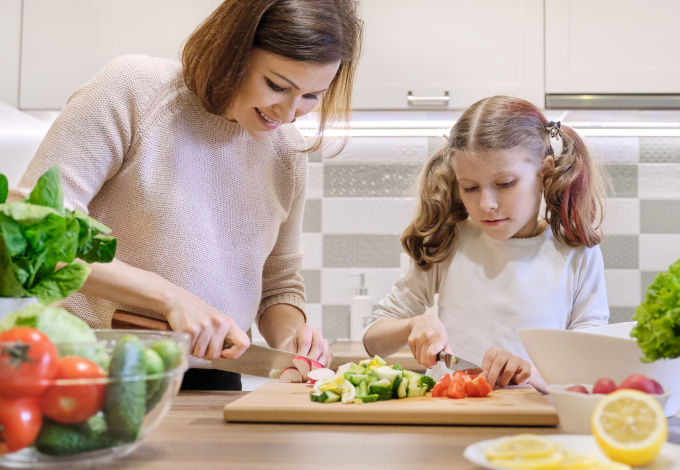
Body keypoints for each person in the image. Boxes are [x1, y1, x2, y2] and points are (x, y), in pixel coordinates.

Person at [8, 0, 363, 391]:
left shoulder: (287, 154)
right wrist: (170, 298)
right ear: (231, 52)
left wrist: (293, 336)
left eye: (312, 96)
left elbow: (278, 283)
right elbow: (31, 238)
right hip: (93, 369)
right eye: (277, 85)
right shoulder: (133, 91)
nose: (289, 112)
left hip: (214, 382)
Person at [363, 96, 610, 392]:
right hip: (451, 420)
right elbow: (373, 339)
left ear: (544, 173)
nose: (486, 204)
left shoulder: (577, 253)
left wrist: (531, 374)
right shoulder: (449, 242)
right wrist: (411, 326)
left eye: (504, 184)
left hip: (537, 423)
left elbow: (591, 367)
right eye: (469, 188)